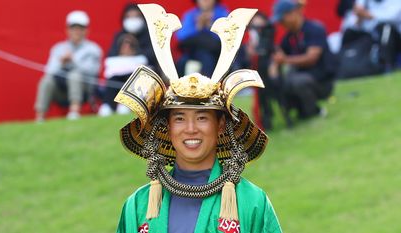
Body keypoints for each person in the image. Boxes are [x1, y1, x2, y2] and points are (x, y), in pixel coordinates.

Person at [114, 4, 282, 233]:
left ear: (221, 124)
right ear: (167, 126)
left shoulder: (251, 201)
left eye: (202, 117)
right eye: (180, 118)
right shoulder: (137, 205)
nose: (190, 129)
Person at [271, 0, 334, 120]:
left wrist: (285, 60)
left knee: (297, 81)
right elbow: (278, 56)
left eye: (282, 19)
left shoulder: (314, 29)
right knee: (278, 82)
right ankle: (299, 110)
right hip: (302, 78)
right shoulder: (288, 37)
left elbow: (312, 58)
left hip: (321, 81)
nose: (281, 24)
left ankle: (314, 111)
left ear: (293, 13)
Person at [34, 10, 102, 121]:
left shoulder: (93, 49)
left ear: (86, 31)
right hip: (61, 91)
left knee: (74, 75)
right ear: (67, 30)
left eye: (81, 28)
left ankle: (74, 113)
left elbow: (93, 71)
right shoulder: (58, 48)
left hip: (85, 90)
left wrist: (73, 61)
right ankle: (39, 118)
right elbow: (49, 71)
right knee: (46, 81)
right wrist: (61, 63)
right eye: (73, 28)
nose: (77, 31)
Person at [98, 34, 148, 117]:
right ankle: (108, 106)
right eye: (124, 45)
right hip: (115, 87)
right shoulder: (111, 61)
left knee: (133, 79)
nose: (127, 47)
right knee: (112, 80)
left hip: (134, 90)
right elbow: (108, 75)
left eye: (130, 45)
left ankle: (126, 105)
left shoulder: (141, 60)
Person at [176, 0, 229, 77]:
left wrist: (210, 26)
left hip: (214, 55)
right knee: (181, 62)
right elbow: (181, 37)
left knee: (208, 60)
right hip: (192, 52)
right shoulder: (191, 14)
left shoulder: (222, 14)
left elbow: (227, 38)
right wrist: (198, 26)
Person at [107, 3, 157, 71]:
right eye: (129, 16)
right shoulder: (119, 36)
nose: (133, 20)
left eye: (136, 16)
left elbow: (152, 56)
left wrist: (134, 54)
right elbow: (110, 57)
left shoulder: (151, 36)